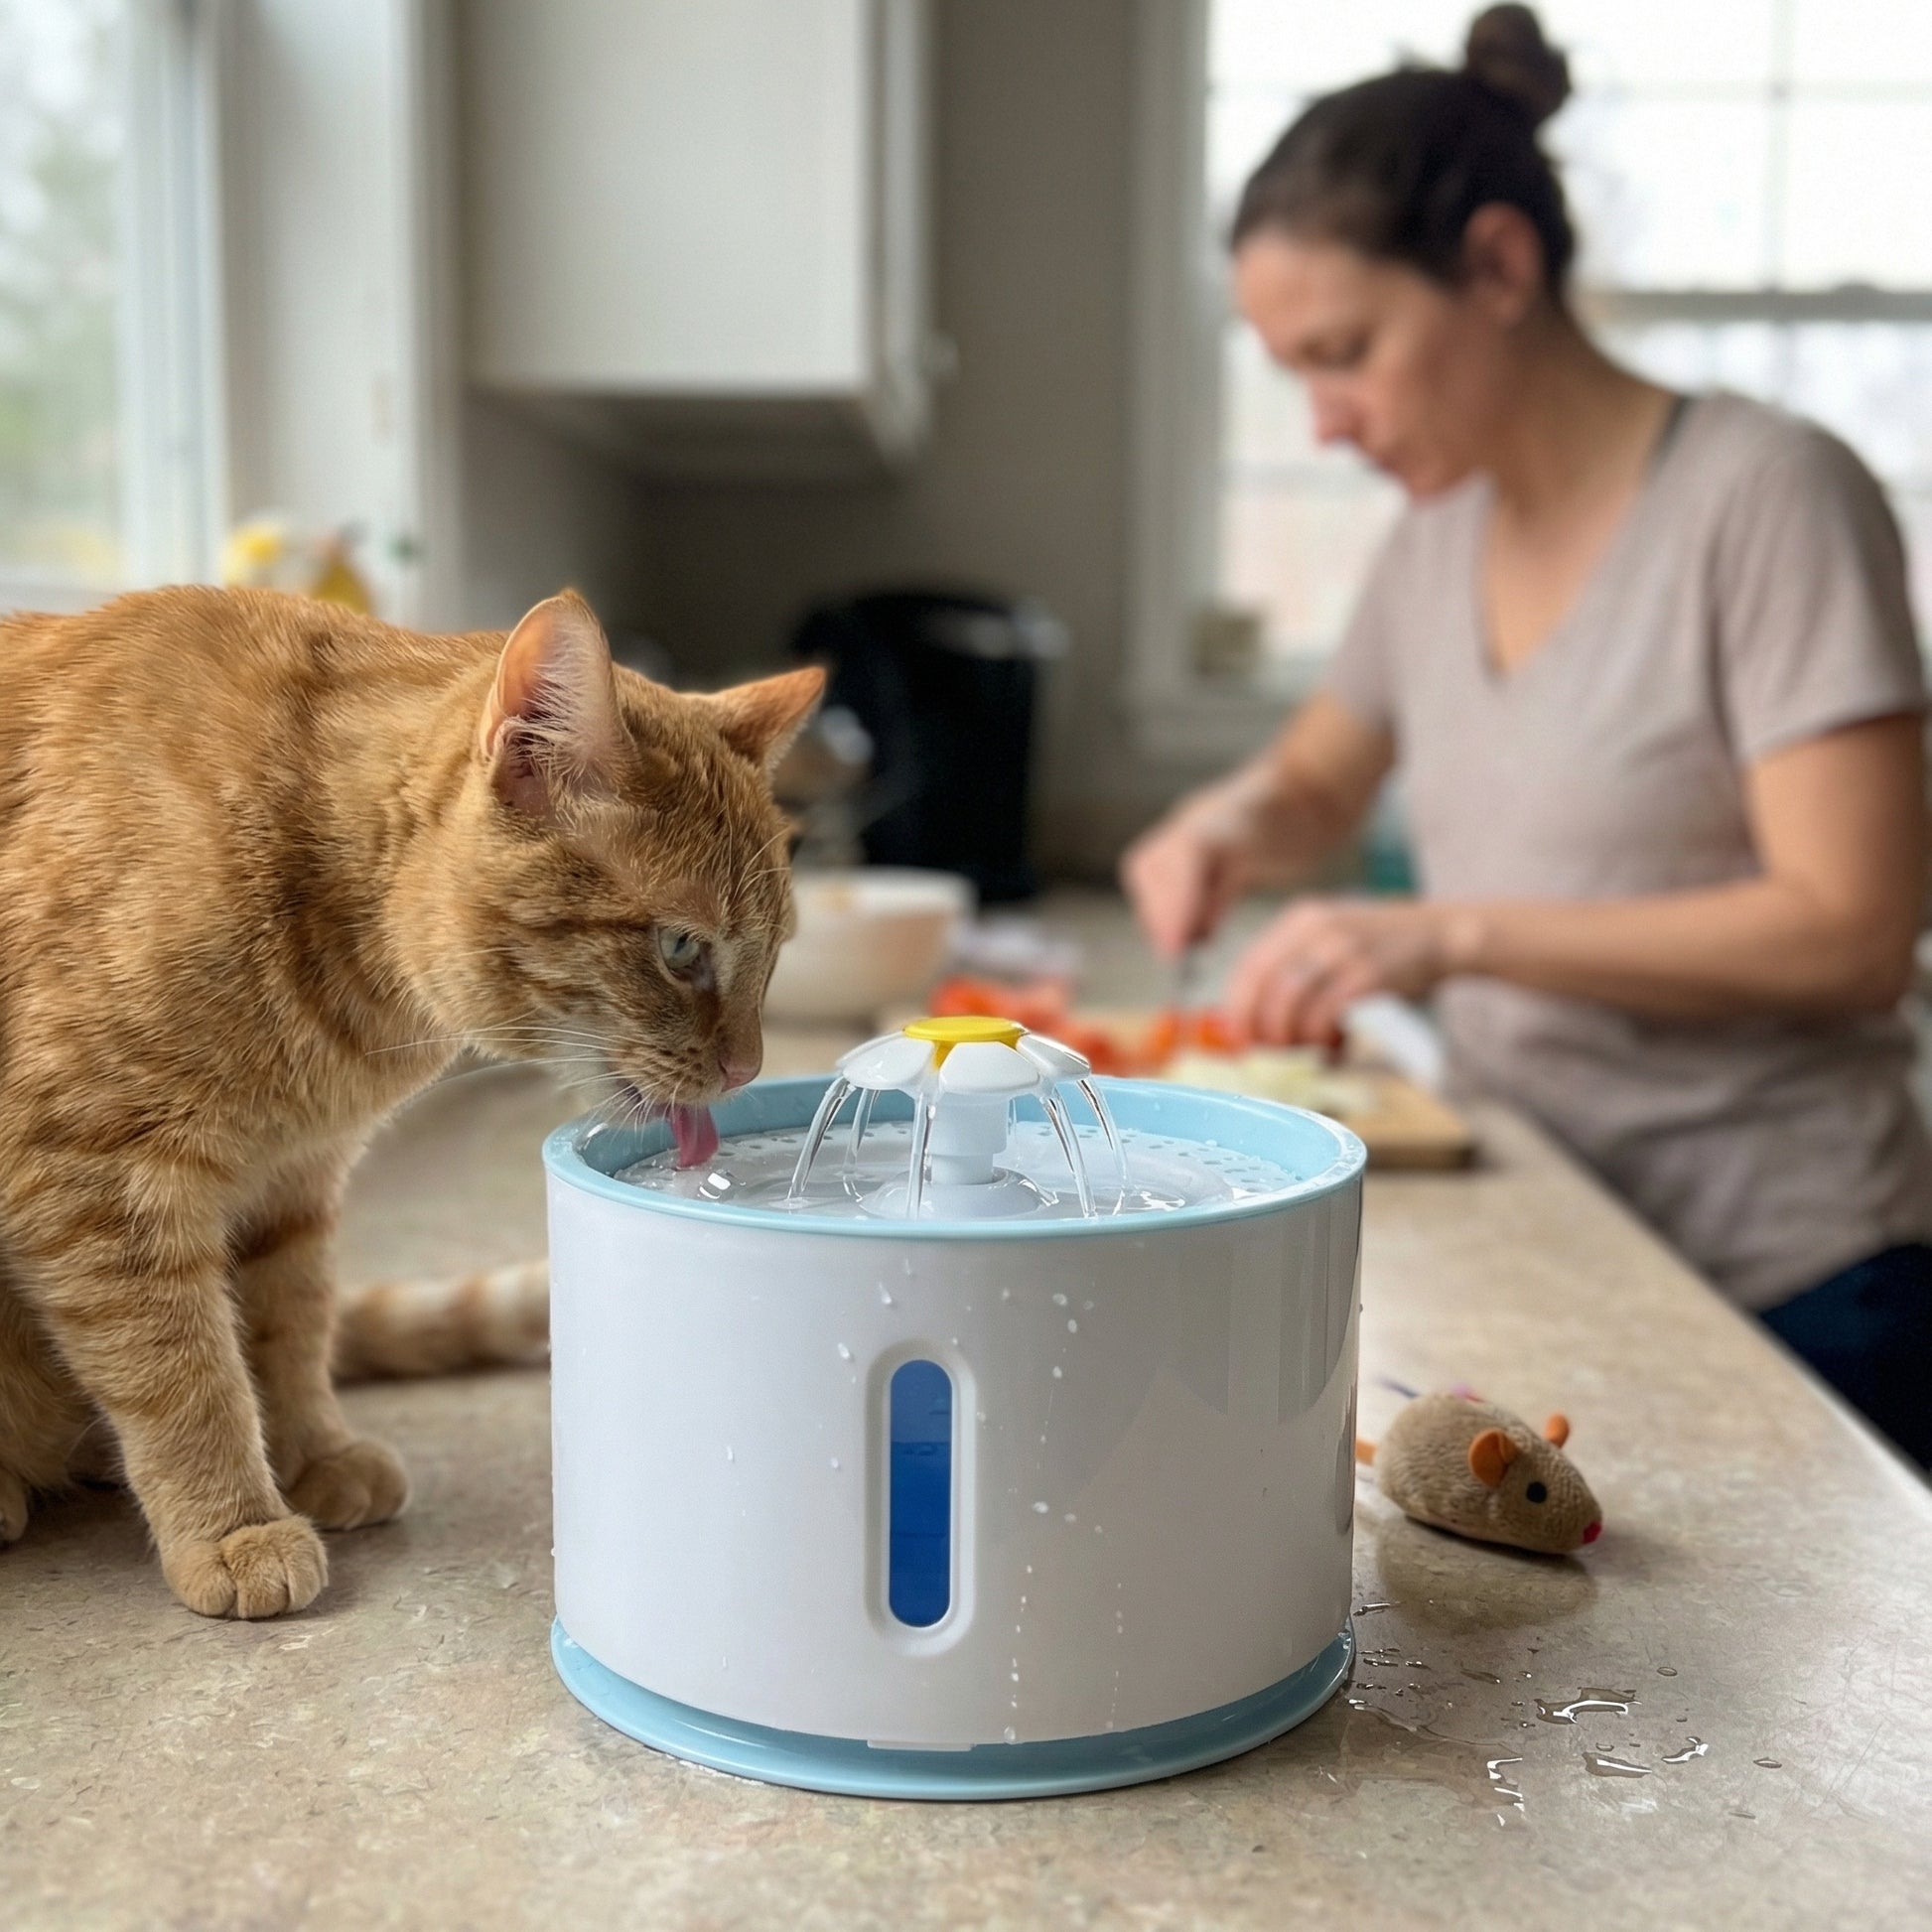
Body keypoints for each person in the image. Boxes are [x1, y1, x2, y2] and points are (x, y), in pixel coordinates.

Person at [1122, 6, 1932, 1464]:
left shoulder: (1769, 498)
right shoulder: (1438, 534)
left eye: (1345, 352)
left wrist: (1449, 936)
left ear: (1497, 265)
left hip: (1798, 1287)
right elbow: (1315, 775)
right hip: (1560, 1228)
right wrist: (1225, 826)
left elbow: (1851, 929)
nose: (1320, 422)